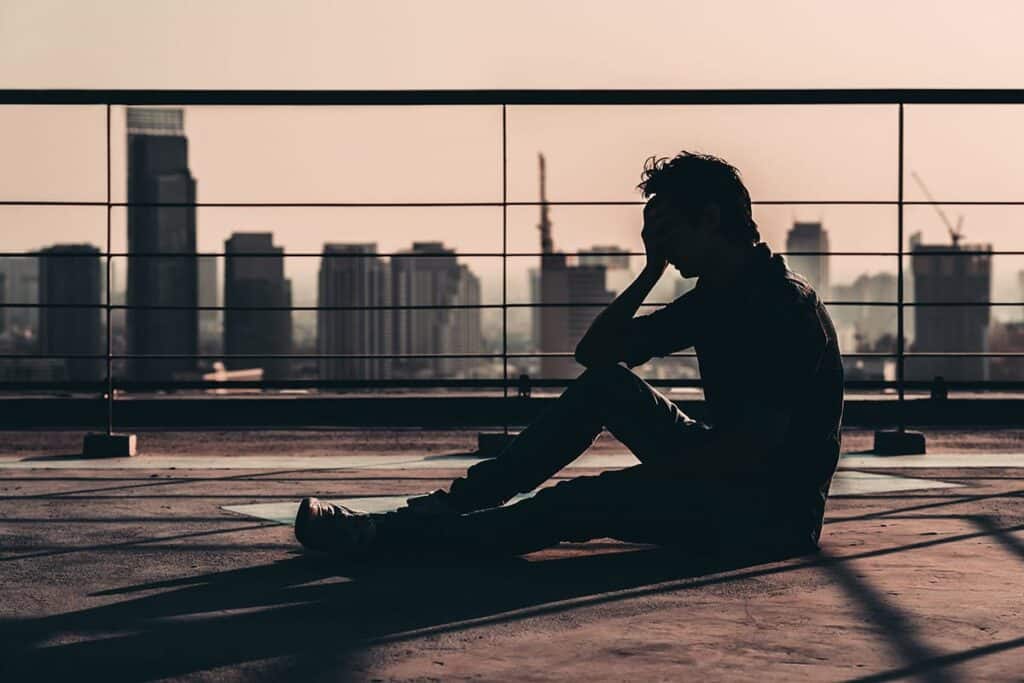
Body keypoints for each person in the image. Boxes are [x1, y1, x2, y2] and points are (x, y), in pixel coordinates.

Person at [294, 151, 844, 560]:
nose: (661, 244)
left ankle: (385, 537)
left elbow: (756, 447)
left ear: (712, 219)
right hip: (726, 468)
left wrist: (638, 485)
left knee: (576, 503)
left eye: (669, 230)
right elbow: (597, 355)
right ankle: (456, 504)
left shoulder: (781, 305)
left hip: (767, 510)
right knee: (607, 387)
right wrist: (651, 271)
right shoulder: (718, 295)